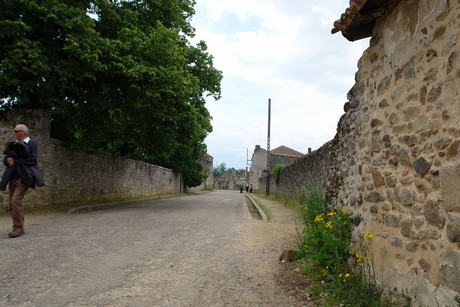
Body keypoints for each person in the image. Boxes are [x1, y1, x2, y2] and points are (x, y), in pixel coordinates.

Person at [2, 124, 44, 238]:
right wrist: (8, 160)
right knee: (12, 203)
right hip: (12, 177)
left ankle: (18, 228)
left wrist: (15, 161)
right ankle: (18, 225)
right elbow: (6, 158)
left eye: (16, 131)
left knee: (15, 201)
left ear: (23, 132)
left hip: (24, 177)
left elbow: (32, 160)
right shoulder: (14, 144)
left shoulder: (31, 143)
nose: (14, 132)